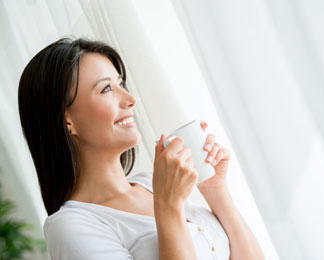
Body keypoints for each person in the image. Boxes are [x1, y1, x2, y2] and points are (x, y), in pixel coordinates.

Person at [18, 37, 264, 259]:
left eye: (121, 83)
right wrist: (168, 208)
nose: (130, 99)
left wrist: (215, 189)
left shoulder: (150, 184)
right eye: (106, 89)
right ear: (67, 120)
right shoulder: (70, 226)